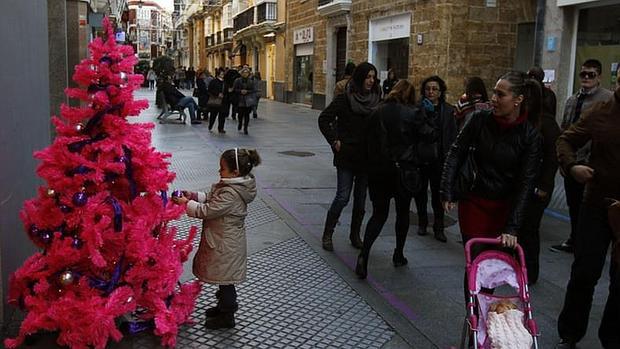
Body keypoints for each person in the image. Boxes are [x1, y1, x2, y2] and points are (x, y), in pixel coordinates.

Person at [440, 70, 542, 260]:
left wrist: (512, 227)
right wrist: (447, 190)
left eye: (500, 94)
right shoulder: (480, 119)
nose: (493, 99)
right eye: (494, 92)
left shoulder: (529, 135)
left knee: (494, 264)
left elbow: (526, 182)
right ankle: (473, 291)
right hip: (474, 201)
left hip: (504, 206)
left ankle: (483, 291)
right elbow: (456, 151)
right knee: (477, 262)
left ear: (518, 100)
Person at [555, 85, 620, 349]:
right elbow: (565, 139)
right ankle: (570, 333)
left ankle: (613, 338)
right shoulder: (600, 112)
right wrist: (572, 166)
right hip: (597, 204)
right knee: (584, 272)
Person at [172, 148, 260, 329]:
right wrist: (193, 195)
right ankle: (223, 307)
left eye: (222, 168)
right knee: (224, 278)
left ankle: (227, 315)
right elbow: (212, 197)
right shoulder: (232, 185)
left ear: (235, 172)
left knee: (226, 281)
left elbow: (208, 210)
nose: (219, 171)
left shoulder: (231, 193)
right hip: (224, 240)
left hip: (226, 244)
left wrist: (185, 204)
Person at [355, 80, 426, 279]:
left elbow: (365, 141)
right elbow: (428, 136)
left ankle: (364, 254)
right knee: (402, 213)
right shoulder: (413, 113)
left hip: (379, 171)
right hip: (405, 171)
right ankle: (398, 254)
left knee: (378, 214)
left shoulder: (376, 111)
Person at [550, 59, 613, 253]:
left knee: (590, 207)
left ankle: (587, 242)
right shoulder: (573, 99)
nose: (586, 78)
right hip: (572, 160)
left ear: (599, 77)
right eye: (583, 74)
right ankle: (574, 238)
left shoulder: (606, 100)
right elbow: (566, 128)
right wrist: (565, 159)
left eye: (591, 75)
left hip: (591, 163)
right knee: (574, 203)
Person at [318, 62, 381, 251]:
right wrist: (334, 140)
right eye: (368, 76)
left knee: (361, 201)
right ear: (360, 77)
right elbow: (324, 119)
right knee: (343, 197)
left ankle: (355, 235)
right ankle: (328, 233)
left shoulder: (377, 99)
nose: (371, 80)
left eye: (373, 77)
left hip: (366, 157)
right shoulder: (345, 99)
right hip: (346, 155)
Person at [518, 78, 561, 284]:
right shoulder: (521, 118)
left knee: (529, 229)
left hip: (537, 184)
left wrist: (543, 185)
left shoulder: (547, 123)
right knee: (519, 227)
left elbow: (553, 157)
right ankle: (518, 266)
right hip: (521, 181)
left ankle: (530, 271)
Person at [414, 76, 457, 242]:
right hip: (422, 158)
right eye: (428, 89)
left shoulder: (448, 110)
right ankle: (422, 222)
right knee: (420, 193)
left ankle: (438, 227)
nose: (431, 92)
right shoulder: (419, 109)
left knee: (438, 195)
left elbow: (452, 135)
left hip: (440, 159)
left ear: (440, 92)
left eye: (434, 89)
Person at [233, 67, 257, 135]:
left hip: (248, 100)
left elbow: (253, 90)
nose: (245, 74)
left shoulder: (251, 81)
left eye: (247, 73)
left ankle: (245, 128)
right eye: (244, 72)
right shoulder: (237, 80)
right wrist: (240, 91)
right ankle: (240, 123)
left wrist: (247, 91)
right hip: (240, 100)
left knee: (247, 115)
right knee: (240, 114)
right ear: (241, 73)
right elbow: (234, 89)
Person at [207, 69, 226, 133]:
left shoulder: (225, 82)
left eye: (223, 74)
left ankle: (221, 128)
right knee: (213, 115)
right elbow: (209, 90)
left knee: (222, 116)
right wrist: (217, 94)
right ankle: (210, 126)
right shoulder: (213, 81)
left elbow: (226, 91)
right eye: (221, 74)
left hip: (223, 101)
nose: (223, 75)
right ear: (218, 74)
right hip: (215, 101)